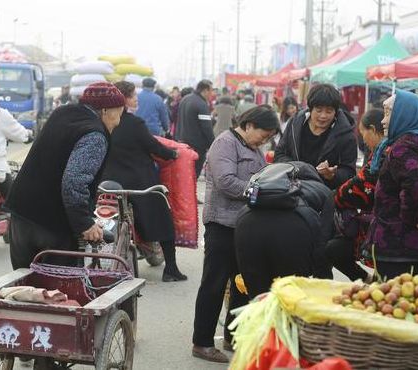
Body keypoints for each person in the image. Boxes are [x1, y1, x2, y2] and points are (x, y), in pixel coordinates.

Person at [6, 82, 126, 270]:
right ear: (105, 110)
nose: (119, 121)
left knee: (24, 286)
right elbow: (74, 183)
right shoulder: (94, 134)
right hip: (52, 224)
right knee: (58, 292)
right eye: (119, 113)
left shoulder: (61, 114)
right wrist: (85, 224)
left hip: (21, 215)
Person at [192, 105, 278, 363]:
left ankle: (233, 336)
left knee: (242, 283)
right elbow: (226, 182)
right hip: (222, 225)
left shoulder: (252, 147)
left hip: (244, 226)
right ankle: (202, 342)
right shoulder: (225, 143)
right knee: (214, 284)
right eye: (264, 134)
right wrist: (260, 193)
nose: (265, 140)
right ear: (249, 124)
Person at [101, 81, 186, 282]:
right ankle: (171, 270)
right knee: (163, 220)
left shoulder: (101, 121)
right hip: (139, 183)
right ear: (124, 99)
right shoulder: (134, 123)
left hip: (108, 182)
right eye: (133, 96)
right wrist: (172, 153)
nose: (136, 99)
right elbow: (154, 146)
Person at [366, 90, 418, 279]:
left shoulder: (404, 146)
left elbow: (416, 184)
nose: (383, 121)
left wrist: (415, 216)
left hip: (399, 245)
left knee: (392, 302)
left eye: (388, 113)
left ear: (404, 115)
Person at [235, 162, 333, 298]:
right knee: (292, 299)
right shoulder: (323, 191)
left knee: (258, 299)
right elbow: (323, 241)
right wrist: (322, 283)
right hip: (295, 229)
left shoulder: (262, 187)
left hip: (246, 224)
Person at [325, 109, 385, 282]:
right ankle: (369, 280)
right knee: (334, 249)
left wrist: (335, 197)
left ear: (372, 129)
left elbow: (362, 184)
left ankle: (375, 283)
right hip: (377, 224)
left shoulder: (388, 152)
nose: (363, 140)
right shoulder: (379, 151)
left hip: (388, 230)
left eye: (363, 133)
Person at [274, 83, 357, 190]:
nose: (323, 116)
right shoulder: (295, 124)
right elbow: (280, 154)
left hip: (323, 194)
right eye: (318, 110)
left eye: (329, 111)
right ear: (310, 108)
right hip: (291, 189)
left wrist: (332, 175)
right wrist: (298, 168)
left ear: (335, 112)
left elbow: (349, 173)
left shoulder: (346, 135)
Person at [176, 80, 215, 178]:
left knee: (184, 175)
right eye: (211, 91)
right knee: (193, 175)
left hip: (181, 142)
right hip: (196, 146)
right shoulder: (201, 104)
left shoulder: (185, 99)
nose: (212, 94)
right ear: (205, 90)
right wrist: (213, 145)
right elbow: (207, 128)